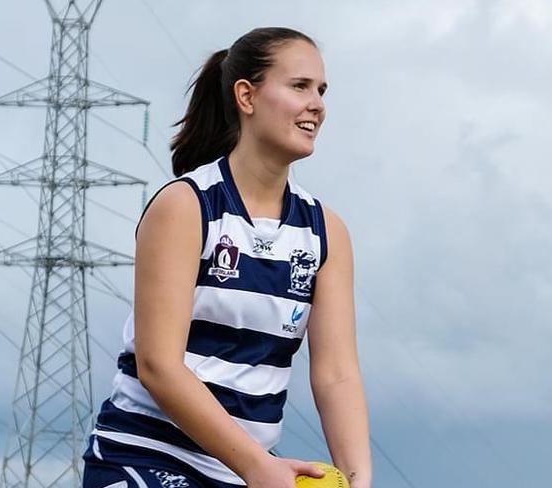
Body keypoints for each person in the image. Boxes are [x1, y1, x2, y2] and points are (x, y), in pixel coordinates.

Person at [82, 27, 372, 488]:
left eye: (321, 90)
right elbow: (158, 365)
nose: (317, 103)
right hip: (145, 453)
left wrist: (359, 481)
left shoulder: (325, 230)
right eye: (299, 86)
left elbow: (337, 375)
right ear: (246, 95)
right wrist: (257, 467)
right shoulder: (186, 206)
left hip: (246, 469)